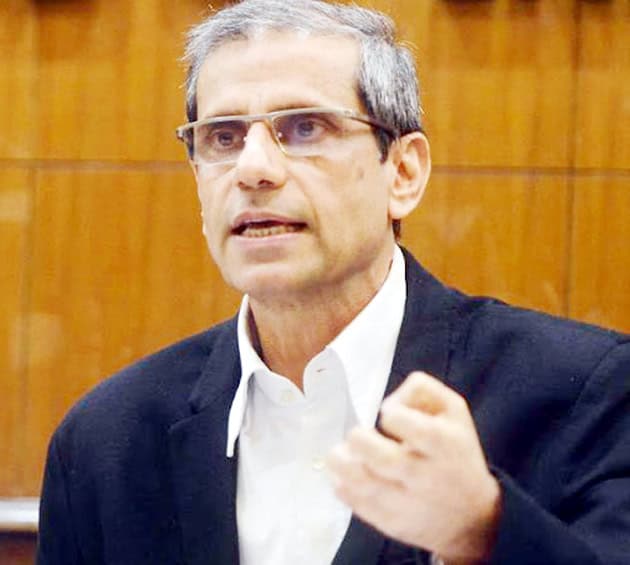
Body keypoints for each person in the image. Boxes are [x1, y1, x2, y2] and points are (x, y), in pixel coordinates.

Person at [37, 1, 630, 564]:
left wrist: (484, 532)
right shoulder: (105, 442)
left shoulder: (584, 393)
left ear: (402, 172)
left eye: (305, 129)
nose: (253, 169)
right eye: (223, 137)